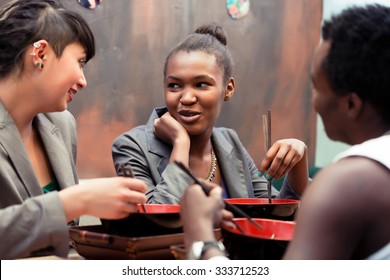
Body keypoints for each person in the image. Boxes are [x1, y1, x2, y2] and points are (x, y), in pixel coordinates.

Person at [180, 4, 390, 260]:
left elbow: (276, 208)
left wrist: (201, 236)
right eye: (174, 85)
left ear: (351, 104)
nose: (187, 97)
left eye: (315, 87)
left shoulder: (347, 182)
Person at [0, 0, 146, 259]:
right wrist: (75, 202)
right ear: (40, 54)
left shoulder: (62, 124)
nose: (83, 80)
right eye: (79, 62)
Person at [112, 23, 309, 204]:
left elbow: (274, 217)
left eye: (201, 84)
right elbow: (152, 222)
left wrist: (300, 160)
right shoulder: (131, 147)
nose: (187, 97)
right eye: (174, 85)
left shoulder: (230, 142)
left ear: (228, 88)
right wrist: (181, 143)